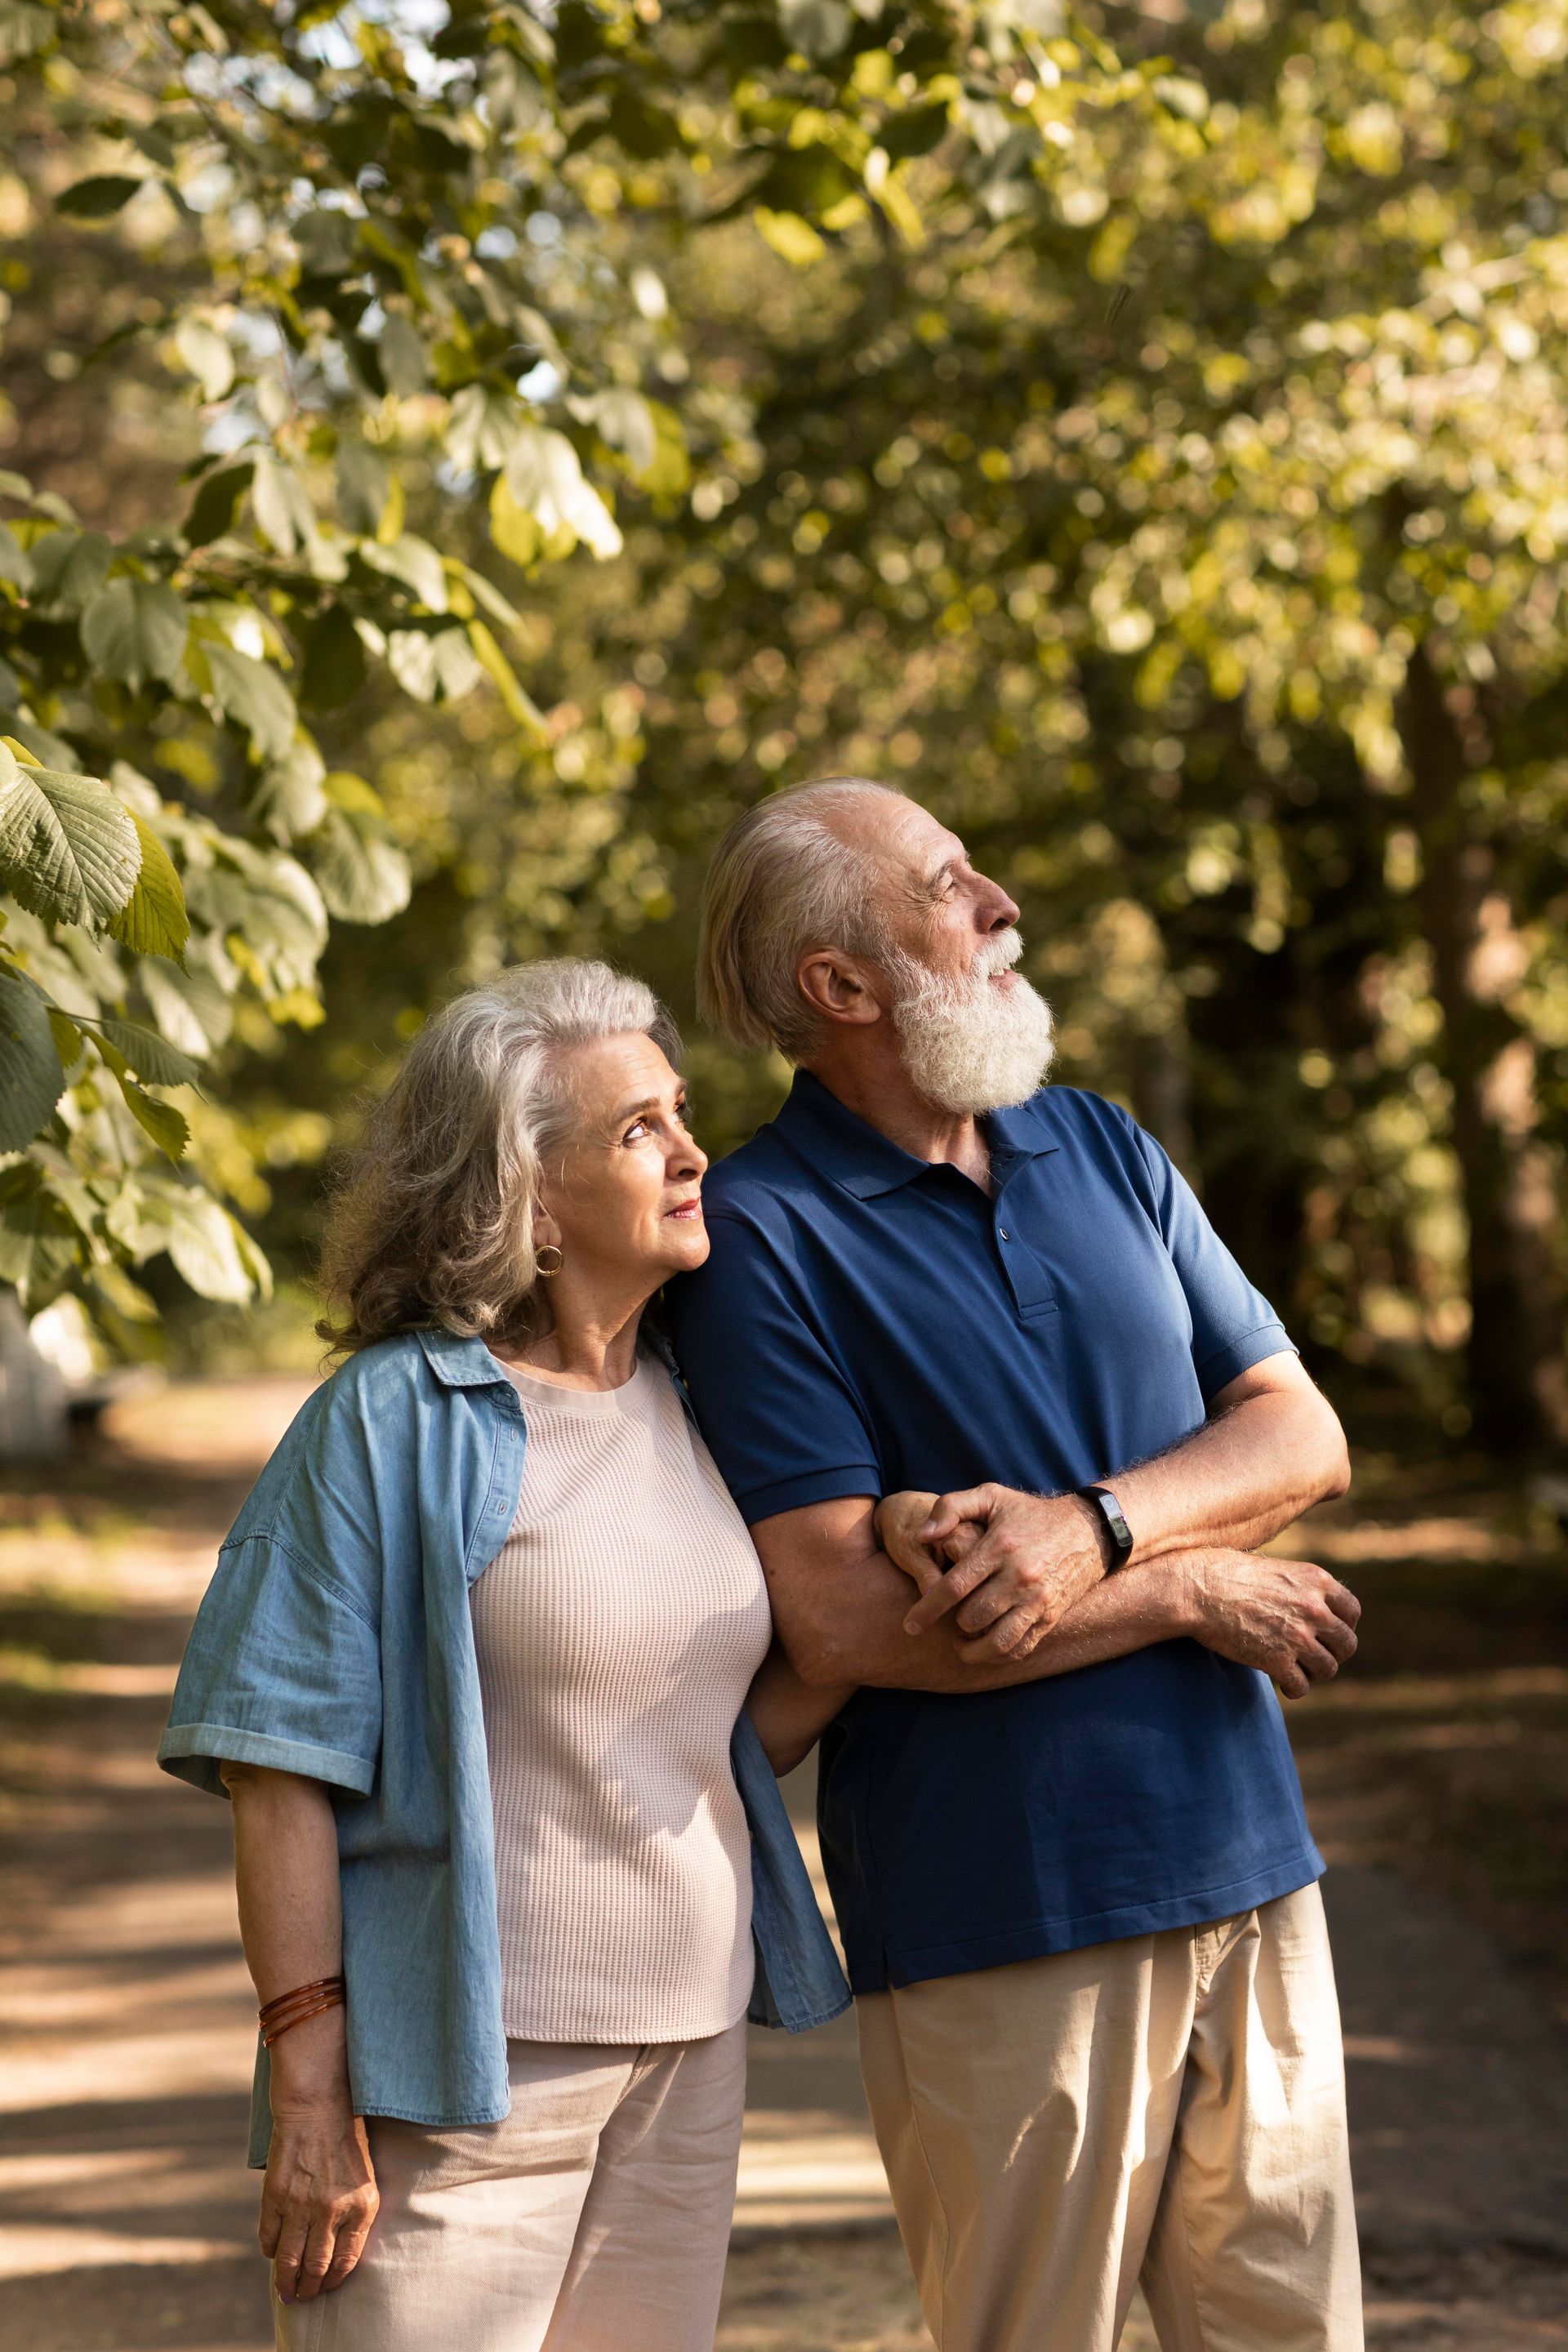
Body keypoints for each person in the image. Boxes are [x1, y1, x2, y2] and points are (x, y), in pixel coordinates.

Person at [666, 777, 1367, 2352]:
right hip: (1001, 1911)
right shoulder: (761, 1238)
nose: (1004, 909)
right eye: (949, 883)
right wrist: (1186, 1585)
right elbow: (844, 1611)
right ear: (839, 986)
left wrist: (1093, 1529)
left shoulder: (1104, 1147)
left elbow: (1303, 1435)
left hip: (1256, 1869)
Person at [156, 959, 850, 2352]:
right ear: (526, 1196)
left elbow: (688, 1730)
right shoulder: (391, 1416)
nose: (692, 1149)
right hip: (459, 2078)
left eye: (680, 1110)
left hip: (688, 2056)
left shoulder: (704, 1401)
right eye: (636, 1128)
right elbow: (273, 1762)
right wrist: (308, 2085)